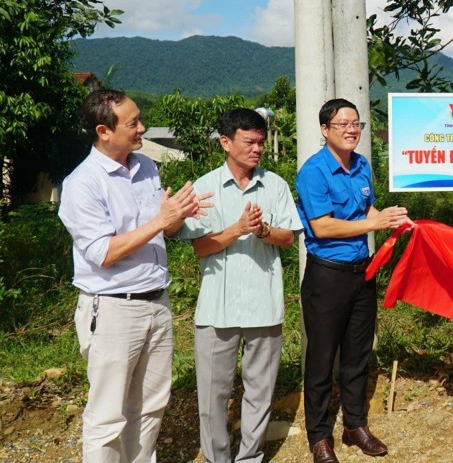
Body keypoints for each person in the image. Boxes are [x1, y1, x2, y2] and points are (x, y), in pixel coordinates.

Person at [58, 88, 211, 463]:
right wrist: (162, 219)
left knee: (151, 405)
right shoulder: (83, 183)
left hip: (156, 301)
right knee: (108, 414)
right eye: (133, 123)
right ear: (103, 131)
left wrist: (177, 218)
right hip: (113, 309)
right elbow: (103, 253)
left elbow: (159, 231)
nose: (142, 127)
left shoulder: (147, 167)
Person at [178, 109, 302, 463]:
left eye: (261, 142)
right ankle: (219, 458)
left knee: (260, 392)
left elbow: (288, 239)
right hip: (217, 308)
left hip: (264, 304)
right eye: (249, 141)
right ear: (226, 142)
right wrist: (239, 228)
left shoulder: (275, 185)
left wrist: (263, 230)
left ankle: (250, 457)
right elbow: (201, 246)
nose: (258, 149)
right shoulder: (205, 188)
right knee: (213, 396)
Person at [295, 98, 408, 462]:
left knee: (358, 354)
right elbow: (322, 226)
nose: (351, 129)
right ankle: (319, 436)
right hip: (327, 275)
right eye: (342, 124)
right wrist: (373, 224)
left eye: (356, 123)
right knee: (322, 358)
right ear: (325, 130)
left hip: (363, 273)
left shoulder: (361, 166)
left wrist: (389, 219)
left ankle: (354, 425)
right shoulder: (314, 171)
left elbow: (367, 209)